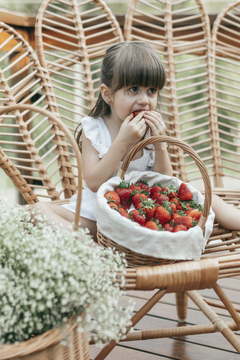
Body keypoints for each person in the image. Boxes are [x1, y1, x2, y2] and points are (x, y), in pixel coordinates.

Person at [30, 41, 240, 240]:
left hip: (142, 216)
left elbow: (164, 182)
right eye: (133, 89)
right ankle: (94, 252)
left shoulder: (149, 129)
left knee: (206, 197)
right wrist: (122, 142)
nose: (144, 100)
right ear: (107, 94)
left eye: (152, 91)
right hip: (98, 219)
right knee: (39, 210)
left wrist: (160, 145)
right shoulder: (94, 128)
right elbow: (93, 182)